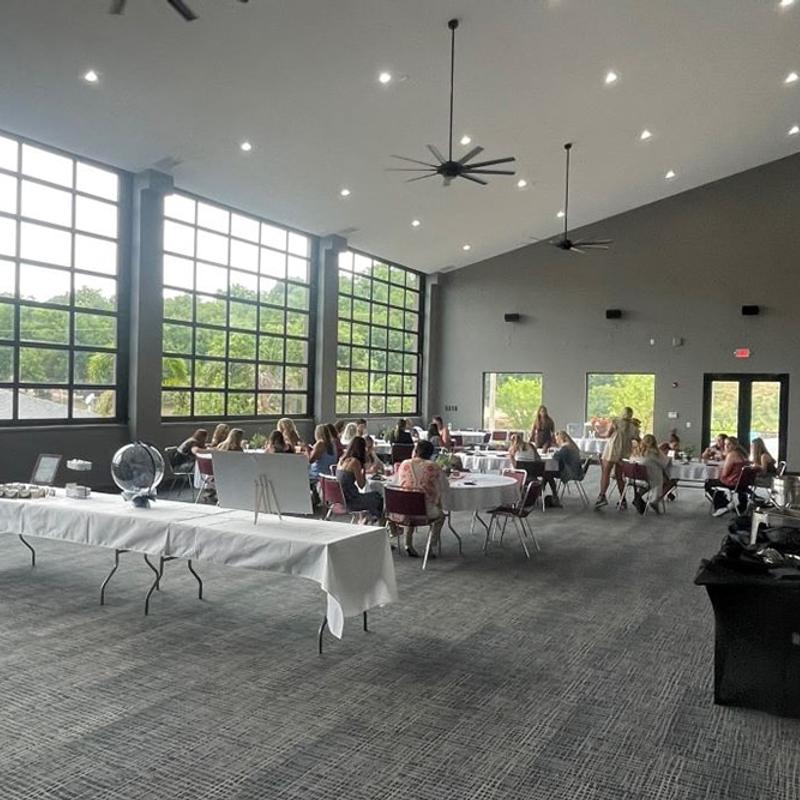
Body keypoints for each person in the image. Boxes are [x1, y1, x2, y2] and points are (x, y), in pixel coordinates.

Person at [389, 440, 448, 558]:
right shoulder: (434, 467)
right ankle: (430, 547)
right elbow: (445, 486)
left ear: (415, 451)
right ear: (431, 454)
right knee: (441, 516)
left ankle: (408, 544)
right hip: (424, 511)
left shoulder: (404, 464)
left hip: (402, 511)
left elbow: (396, 483)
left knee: (409, 504)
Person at [595, 407, 640, 509]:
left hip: (612, 449)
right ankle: (622, 499)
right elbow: (637, 439)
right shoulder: (633, 427)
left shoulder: (616, 422)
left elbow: (608, 434)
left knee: (606, 473)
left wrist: (600, 433)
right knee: (619, 476)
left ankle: (602, 496)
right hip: (624, 452)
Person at [335, 436, 383, 522]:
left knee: (372, 497)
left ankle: (369, 518)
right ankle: (373, 520)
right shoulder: (355, 462)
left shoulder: (342, 460)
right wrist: (363, 469)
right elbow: (361, 485)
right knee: (378, 497)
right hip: (351, 500)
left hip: (341, 498)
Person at [704, 436, 749, 516]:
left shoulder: (732, 455)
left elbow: (725, 474)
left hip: (733, 483)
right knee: (716, 481)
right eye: (725, 444)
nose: (726, 446)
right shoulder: (743, 454)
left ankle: (722, 506)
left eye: (729, 444)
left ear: (734, 445)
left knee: (709, 483)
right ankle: (734, 505)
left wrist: (719, 473)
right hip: (743, 483)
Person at [633, 434, 672, 515]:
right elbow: (665, 463)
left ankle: (639, 496)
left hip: (637, 479)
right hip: (652, 478)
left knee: (650, 481)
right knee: (670, 481)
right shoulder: (655, 453)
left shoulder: (638, 451)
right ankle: (655, 500)